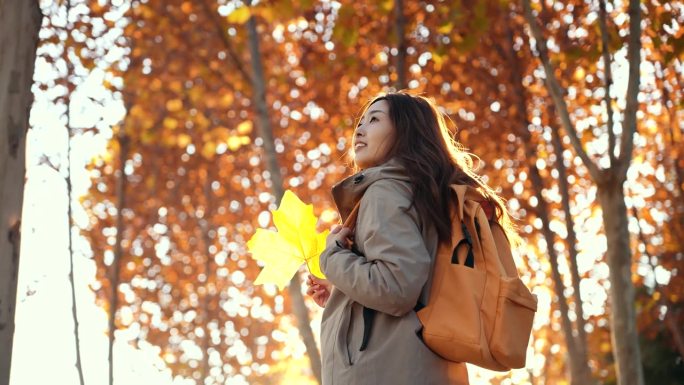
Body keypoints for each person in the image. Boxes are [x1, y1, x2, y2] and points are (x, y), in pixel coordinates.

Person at [306, 91, 519, 385]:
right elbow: (420, 286)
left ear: (405, 132)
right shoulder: (426, 195)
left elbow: (396, 288)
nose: (360, 128)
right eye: (361, 121)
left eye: (375, 119)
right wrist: (342, 293)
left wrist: (332, 257)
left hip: (385, 373)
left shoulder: (385, 192)